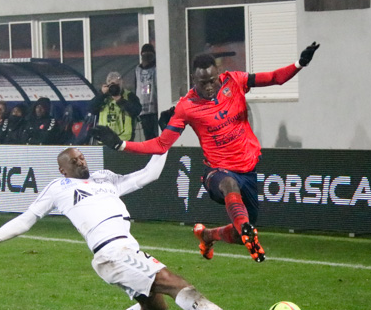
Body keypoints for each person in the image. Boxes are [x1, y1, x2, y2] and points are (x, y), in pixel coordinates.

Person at [0, 148, 272, 310]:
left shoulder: (105, 179)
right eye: (74, 160)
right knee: (177, 284)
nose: (81, 161)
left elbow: (148, 175)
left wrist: (165, 140)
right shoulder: (59, 187)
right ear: (63, 168)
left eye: (81, 156)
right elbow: (26, 220)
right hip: (111, 251)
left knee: (156, 307)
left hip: (126, 249)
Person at [92, 42, 320, 262]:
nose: (209, 86)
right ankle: (245, 230)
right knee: (230, 186)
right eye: (203, 83)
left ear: (218, 74)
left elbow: (274, 78)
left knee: (240, 235)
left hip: (248, 170)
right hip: (216, 172)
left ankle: (209, 235)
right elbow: (161, 144)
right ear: (194, 79)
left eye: (212, 80)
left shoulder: (235, 81)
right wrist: (121, 144)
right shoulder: (187, 106)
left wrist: (299, 64)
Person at [90, 71, 141, 142]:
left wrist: (120, 100)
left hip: (124, 140)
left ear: (121, 84)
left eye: (117, 85)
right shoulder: (103, 97)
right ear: (107, 85)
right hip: (105, 139)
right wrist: (101, 94)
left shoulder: (129, 96)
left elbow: (137, 111)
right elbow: (91, 109)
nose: (114, 88)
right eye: (112, 85)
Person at [135, 44, 159, 140]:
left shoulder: (157, 68)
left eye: (150, 54)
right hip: (143, 111)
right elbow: (136, 87)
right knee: (148, 137)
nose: (147, 57)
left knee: (157, 135)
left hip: (156, 110)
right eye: (145, 54)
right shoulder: (137, 70)